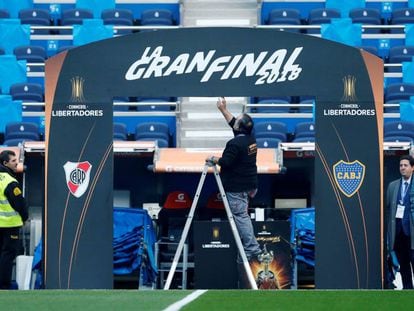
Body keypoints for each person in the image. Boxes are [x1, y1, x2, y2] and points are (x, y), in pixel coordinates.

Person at [206, 97, 262, 261]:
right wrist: (223, 109)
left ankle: (252, 249)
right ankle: (249, 247)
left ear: (239, 128)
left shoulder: (234, 144)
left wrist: (212, 158)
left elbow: (226, 162)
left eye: (237, 121)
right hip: (251, 184)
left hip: (238, 187)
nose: (234, 120)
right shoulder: (250, 138)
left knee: (241, 216)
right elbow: (235, 124)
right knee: (242, 215)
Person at [0, 150, 28, 289]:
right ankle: (4, 286)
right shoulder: (9, 181)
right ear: (5, 163)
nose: (17, 162)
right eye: (13, 161)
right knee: (7, 255)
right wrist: (25, 217)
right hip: (9, 225)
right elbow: (19, 204)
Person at [386, 154, 414, 289]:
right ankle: (408, 290)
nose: (402, 168)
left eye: (405, 165)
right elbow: (388, 210)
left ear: (412, 168)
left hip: (412, 233)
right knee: (404, 265)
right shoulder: (392, 186)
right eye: (401, 165)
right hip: (398, 233)